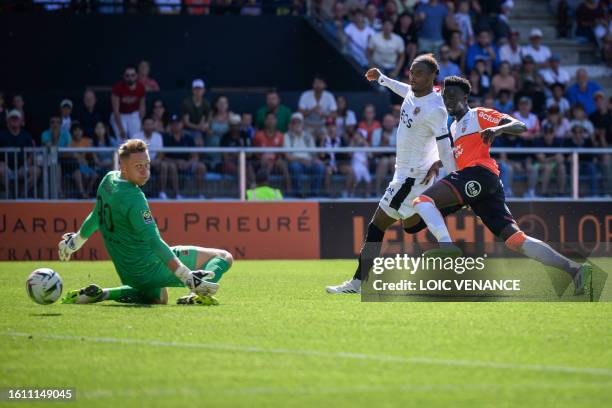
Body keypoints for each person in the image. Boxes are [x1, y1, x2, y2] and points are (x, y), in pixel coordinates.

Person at [409, 75, 592, 295]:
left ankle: (447, 248)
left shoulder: (478, 114)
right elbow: (461, 158)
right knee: (516, 239)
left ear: (465, 97)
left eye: (452, 96)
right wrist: (438, 163)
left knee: (422, 200)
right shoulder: (454, 128)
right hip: (478, 183)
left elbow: (520, 125)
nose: (447, 100)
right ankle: (575, 270)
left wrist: (497, 130)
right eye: (445, 97)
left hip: (480, 174)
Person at [326, 55, 458, 294]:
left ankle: (356, 283)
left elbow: (445, 146)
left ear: (431, 77)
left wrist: (454, 177)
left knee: (377, 225)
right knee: (408, 226)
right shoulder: (414, 92)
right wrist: (383, 79)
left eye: (419, 73)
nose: (413, 77)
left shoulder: (436, 109)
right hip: (407, 175)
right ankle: (447, 207)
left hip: (410, 177)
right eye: (411, 71)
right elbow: (405, 90)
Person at [58, 139, 231, 306]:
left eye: (147, 164)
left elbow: (96, 215)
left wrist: (75, 242)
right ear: (124, 168)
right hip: (150, 267)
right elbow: (154, 242)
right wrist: (185, 275)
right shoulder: (135, 198)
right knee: (224, 257)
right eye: (138, 166)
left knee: (160, 298)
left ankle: (104, 293)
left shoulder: (108, 180)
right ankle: (197, 295)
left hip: (128, 274)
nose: (145, 171)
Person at [163, 115, 207, 199]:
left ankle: (200, 194)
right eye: (173, 124)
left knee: (201, 167)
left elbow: (195, 156)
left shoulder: (188, 138)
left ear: (182, 124)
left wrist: (188, 163)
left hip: (187, 164)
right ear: (170, 125)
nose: (175, 125)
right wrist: (176, 162)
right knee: (172, 166)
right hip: (172, 164)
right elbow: (162, 157)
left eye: (177, 123)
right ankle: (177, 194)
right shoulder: (166, 138)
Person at [283, 112, 324, 197]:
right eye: (294, 122)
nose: (297, 124)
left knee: (320, 167)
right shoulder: (286, 136)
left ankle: (313, 194)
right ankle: (297, 193)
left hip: (309, 162)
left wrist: (314, 160)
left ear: (303, 124)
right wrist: (301, 160)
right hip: (295, 162)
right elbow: (287, 156)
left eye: (299, 122)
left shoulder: (308, 136)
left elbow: (314, 154)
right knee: (295, 167)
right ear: (291, 124)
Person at [0, 110, 39, 197]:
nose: (14, 120)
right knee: (1, 169)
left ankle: (22, 194)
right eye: (12, 118)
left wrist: (26, 164)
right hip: (6, 169)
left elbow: (31, 153)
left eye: (16, 118)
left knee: (36, 171)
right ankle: (10, 194)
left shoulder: (26, 135)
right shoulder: (1, 134)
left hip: (22, 169)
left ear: (20, 121)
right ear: (8, 121)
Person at [133, 116, 169, 199]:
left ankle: (162, 192)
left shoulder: (158, 136)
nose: (149, 126)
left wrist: (158, 160)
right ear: (143, 126)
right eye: (147, 124)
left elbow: (160, 153)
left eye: (151, 124)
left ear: (153, 125)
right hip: (140, 163)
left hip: (155, 162)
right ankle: (136, 193)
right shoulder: (136, 136)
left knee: (164, 166)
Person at [111, 65, 146, 140]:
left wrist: (141, 123)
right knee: (122, 140)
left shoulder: (141, 87)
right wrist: (121, 128)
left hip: (134, 115)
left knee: (136, 139)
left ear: (136, 76)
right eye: (127, 75)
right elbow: (116, 111)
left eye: (132, 75)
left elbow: (142, 108)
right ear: (124, 76)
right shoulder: (117, 87)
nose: (130, 78)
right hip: (120, 115)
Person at [69, 122, 98, 198]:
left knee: (95, 175)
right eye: (75, 130)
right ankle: (82, 193)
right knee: (84, 175)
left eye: (79, 130)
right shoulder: (70, 142)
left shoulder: (87, 141)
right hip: (74, 167)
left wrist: (97, 161)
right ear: (72, 132)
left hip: (85, 166)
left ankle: (87, 192)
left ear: (82, 131)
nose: (78, 132)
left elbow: (93, 155)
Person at [371, 113, 397, 196]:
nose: (388, 123)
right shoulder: (377, 132)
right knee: (385, 161)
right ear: (383, 123)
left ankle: (395, 190)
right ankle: (376, 189)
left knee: (393, 160)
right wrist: (383, 143)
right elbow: (374, 151)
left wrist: (388, 142)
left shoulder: (399, 131)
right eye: (386, 121)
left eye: (390, 121)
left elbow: (401, 148)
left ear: (394, 122)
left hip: (395, 157)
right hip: (380, 158)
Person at [181, 78, 210, 143]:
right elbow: (186, 122)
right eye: (196, 89)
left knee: (200, 141)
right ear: (192, 90)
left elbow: (206, 119)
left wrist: (205, 126)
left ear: (204, 90)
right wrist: (199, 127)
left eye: (200, 89)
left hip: (198, 132)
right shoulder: (186, 103)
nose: (198, 91)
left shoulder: (206, 104)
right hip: (186, 131)